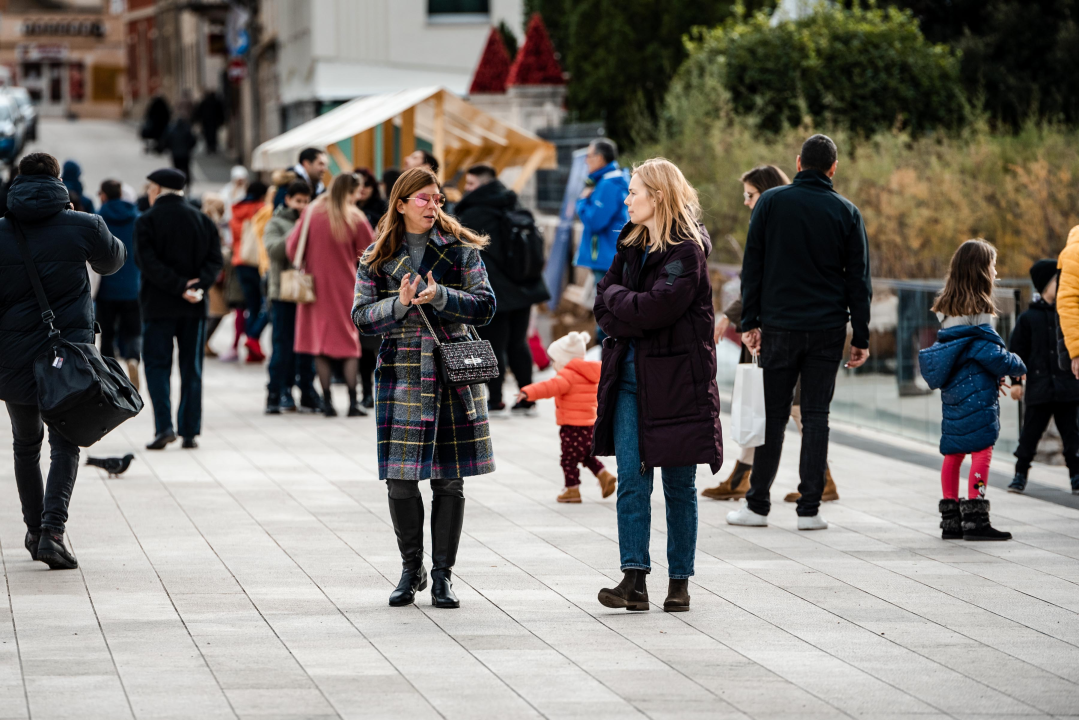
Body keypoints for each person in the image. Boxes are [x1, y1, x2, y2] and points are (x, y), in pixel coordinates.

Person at [352, 166, 496, 609]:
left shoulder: (462, 250)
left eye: (438, 198)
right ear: (401, 204)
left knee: (449, 482)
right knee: (400, 481)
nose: (434, 206)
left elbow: (486, 305)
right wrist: (398, 303)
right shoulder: (376, 256)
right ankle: (410, 569)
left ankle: (443, 576)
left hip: (452, 370)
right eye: (424, 199)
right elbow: (360, 317)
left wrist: (442, 298)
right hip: (402, 372)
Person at [592, 158, 723, 614]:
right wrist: (625, 305)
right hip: (626, 379)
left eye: (633, 192)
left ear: (659, 196)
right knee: (631, 479)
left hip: (677, 383)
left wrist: (621, 304)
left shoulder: (688, 251)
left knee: (679, 486)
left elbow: (657, 308)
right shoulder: (629, 241)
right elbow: (603, 304)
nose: (626, 200)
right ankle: (634, 578)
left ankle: (679, 582)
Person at [727, 134, 871, 531]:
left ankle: (757, 507)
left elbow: (752, 266)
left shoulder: (772, 203)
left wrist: (750, 322)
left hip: (779, 326)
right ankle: (809, 510)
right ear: (833, 168)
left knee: (773, 417)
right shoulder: (847, 212)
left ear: (797, 162)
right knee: (816, 416)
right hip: (827, 329)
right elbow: (858, 281)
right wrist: (860, 337)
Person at [0, 153, 124, 569]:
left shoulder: (2, 231)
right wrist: (83, 220)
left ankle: (35, 531)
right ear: (57, 181)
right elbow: (112, 261)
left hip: (12, 355)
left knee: (25, 445)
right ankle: (54, 531)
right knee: (65, 440)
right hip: (66, 356)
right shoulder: (83, 225)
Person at [918, 240, 1025, 540]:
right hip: (978, 392)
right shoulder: (980, 312)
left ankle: (951, 520)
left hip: (954, 391)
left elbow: (963, 352)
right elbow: (990, 354)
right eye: (992, 265)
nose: (995, 270)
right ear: (980, 271)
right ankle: (976, 517)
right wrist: (1017, 365)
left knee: (953, 451)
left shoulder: (945, 309)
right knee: (982, 449)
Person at [135, 168, 223, 451]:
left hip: (159, 305)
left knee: (158, 367)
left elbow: (146, 262)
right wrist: (195, 288)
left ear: (157, 189)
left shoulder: (146, 221)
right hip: (194, 308)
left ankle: (164, 427)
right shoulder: (203, 220)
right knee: (191, 368)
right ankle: (189, 431)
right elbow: (214, 261)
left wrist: (177, 286)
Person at [456, 162, 551, 416]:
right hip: (524, 285)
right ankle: (527, 397)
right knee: (519, 344)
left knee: (492, 343)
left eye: (471, 184)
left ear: (483, 184)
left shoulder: (474, 212)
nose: (467, 189)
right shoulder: (513, 203)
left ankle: (495, 398)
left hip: (495, 288)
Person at [287, 172, 373, 416]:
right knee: (349, 344)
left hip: (314, 288)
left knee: (320, 345)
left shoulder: (312, 212)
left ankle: (326, 402)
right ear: (351, 191)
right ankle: (353, 402)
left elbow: (293, 249)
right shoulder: (354, 216)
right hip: (346, 287)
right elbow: (369, 253)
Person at [516, 331, 616, 503]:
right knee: (585, 454)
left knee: (568, 459)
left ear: (564, 359)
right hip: (589, 424)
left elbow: (549, 387)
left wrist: (527, 392)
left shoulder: (568, 375)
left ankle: (572, 489)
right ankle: (604, 475)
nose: (554, 364)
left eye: (556, 360)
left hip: (572, 426)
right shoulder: (589, 373)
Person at [1007, 260, 1079, 493]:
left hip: (1066, 387)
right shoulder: (1028, 318)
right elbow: (1016, 351)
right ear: (1045, 285)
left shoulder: (1067, 315)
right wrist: (1016, 382)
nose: (1061, 284)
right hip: (1039, 388)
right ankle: (1020, 474)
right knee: (1029, 435)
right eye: (1057, 281)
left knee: (1072, 437)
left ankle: (1076, 476)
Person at [263, 181, 320, 414]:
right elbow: (275, 251)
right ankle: (277, 392)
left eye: (307, 201)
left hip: (307, 293)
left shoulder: (314, 222)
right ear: (287, 200)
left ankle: (307, 390)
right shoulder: (276, 222)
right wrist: (298, 229)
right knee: (283, 345)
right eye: (298, 201)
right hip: (283, 293)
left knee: (307, 346)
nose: (302, 206)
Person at [575, 139, 629, 343]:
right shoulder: (609, 180)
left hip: (605, 257)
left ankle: (606, 361)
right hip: (607, 255)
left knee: (606, 313)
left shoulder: (608, 184)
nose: (587, 161)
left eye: (588, 156)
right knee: (607, 309)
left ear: (599, 157)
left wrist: (582, 200)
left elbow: (595, 221)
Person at [95, 179, 142, 389]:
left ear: (104, 195)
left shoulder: (98, 218)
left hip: (107, 286)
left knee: (107, 332)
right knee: (132, 330)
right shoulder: (137, 217)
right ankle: (132, 358)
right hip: (132, 284)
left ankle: (109, 376)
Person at [229, 180, 269, 363]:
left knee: (250, 305)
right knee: (263, 305)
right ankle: (253, 338)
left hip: (239, 261)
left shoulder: (236, 209)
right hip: (255, 262)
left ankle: (252, 345)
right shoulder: (261, 209)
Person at [162, 110, 198, 185]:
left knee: (176, 170)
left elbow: (167, 140)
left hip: (176, 154)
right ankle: (187, 183)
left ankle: (177, 184)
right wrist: (188, 149)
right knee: (186, 169)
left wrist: (170, 148)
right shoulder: (187, 129)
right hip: (185, 154)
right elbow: (193, 141)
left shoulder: (172, 129)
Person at [195, 90, 226, 155]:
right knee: (213, 134)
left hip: (207, 121)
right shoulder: (216, 102)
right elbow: (220, 112)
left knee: (208, 134)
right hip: (213, 121)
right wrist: (221, 120)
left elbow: (199, 111)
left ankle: (210, 147)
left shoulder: (205, 102)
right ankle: (212, 147)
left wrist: (198, 119)